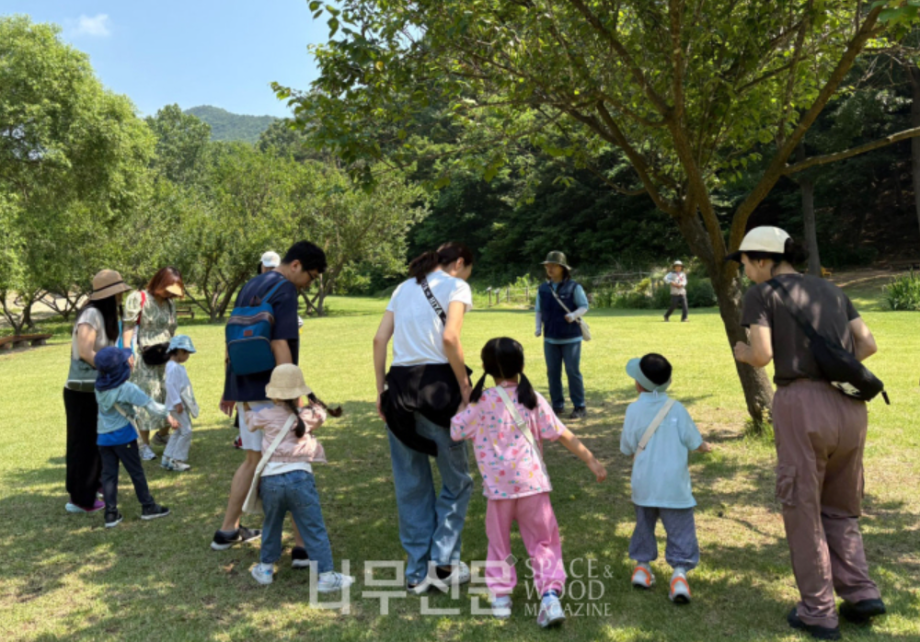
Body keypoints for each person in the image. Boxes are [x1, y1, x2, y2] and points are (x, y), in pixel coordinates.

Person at [730, 226, 885, 640]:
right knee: (841, 504)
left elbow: (761, 355)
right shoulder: (831, 290)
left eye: (744, 261)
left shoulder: (760, 294)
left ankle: (818, 611)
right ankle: (861, 592)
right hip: (850, 406)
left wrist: (743, 353)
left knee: (802, 507)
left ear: (763, 259)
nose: (744, 269)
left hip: (801, 404)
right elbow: (866, 344)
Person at [451, 337, 606, 627]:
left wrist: (464, 399)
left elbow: (457, 431)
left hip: (498, 492)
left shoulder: (481, 403)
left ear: (486, 367)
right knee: (543, 542)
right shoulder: (532, 398)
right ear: (520, 365)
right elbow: (562, 434)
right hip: (533, 485)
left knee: (498, 543)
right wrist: (591, 460)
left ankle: (500, 597)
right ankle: (549, 596)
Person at [214, 241, 327, 558]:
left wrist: (230, 390)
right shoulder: (285, 289)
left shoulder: (251, 284)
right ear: (296, 265)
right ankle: (304, 549)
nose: (308, 284)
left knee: (252, 460)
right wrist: (293, 397)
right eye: (311, 276)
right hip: (273, 391)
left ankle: (227, 531)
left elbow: (231, 338)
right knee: (292, 461)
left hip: (246, 390)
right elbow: (280, 344)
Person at [373, 242, 475, 594]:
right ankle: (443, 564)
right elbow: (450, 337)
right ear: (460, 263)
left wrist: (379, 391)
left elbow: (379, 339)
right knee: (457, 481)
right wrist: (465, 386)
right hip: (438, 390)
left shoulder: (403, 287)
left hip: (398, 389)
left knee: (410, 482)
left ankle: (417, 571)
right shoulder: (457, 285)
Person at [248, 364, 354, 591]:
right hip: (301, 479)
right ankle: (326, 575)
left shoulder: (265, 416)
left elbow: (250, 421)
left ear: (274, 394)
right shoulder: (308, 416)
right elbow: (321, 414)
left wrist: (247, 404)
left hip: (271, 481)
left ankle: (266, 569)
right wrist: (311, 400)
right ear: (299, 394)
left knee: (271, 524)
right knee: (313, 527)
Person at [619, 354, 712, 604]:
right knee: (681, 530)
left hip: (644, 485)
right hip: (674, 488)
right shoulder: (677, 409)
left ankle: (642, 567)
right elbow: (694, 441)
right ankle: (679, 575)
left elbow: (627, 447)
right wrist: (704, 447)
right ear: (668, 381)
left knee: (643, 525)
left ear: (638, 384)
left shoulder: (633, 409)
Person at [64, 270, 132, 514]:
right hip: (82, 390)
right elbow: (85, 350)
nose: (121, 296)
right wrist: (112, 369)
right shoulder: (91, 314)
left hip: (97, 388)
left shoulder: (105, 315)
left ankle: (95, 485)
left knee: (99, 440)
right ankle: (80, 498)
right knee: (83, 444)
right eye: (118, 292)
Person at [94, 347, 176, 528]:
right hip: (123, 437)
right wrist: (169, 415)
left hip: (103, 438)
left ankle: (111, 514)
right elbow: (151, 405)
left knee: (109, 476)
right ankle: (148, 507)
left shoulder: (99, 387)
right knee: (136, 472)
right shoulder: (126, 388)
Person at [123, 267, 184, 461]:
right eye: (167, 289)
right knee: (146, 398)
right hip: (145, 357)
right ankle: (144, 445)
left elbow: (171, 331)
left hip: (166, 357)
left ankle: (162, 434)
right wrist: (126, 351)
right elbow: (128, 325)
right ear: (159, 282)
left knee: (169, 395)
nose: (169, 294)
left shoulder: (170, 304)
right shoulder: (138, 298)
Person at [535, 251, 589, 420]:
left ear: (562, 268)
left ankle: (579, 406)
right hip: (550, 337)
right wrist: (538, 327)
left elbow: (584, 306)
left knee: (573, 371)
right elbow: (538, 310)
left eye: (553, 265)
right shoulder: (543, 288)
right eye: (547, 266)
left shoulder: (574, 287)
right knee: (552, 372)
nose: (549, 268)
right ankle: (557, 406)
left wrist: (573, 315)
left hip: (571, 338)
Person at [161, 335, 198, 472]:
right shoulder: (173, 367)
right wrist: (177, 403)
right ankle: (177, 460)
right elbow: (170, 385)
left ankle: (167, 458)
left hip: (177, 405)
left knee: (178, 431)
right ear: (180, 351)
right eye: (187, 353)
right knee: (186, 431)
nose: (188, 356)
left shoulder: (174, 366)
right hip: (177, 406)